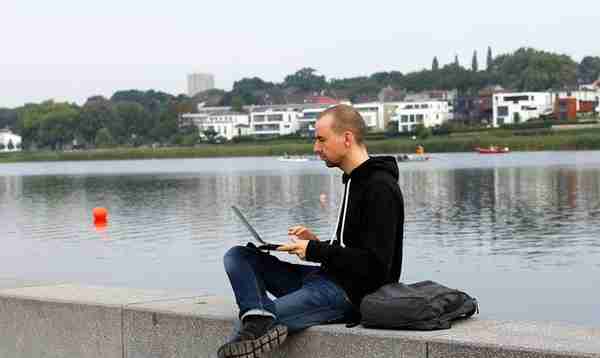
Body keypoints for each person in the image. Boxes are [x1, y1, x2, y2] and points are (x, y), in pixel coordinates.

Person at [218, 104, 404, 358]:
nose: (316, 148)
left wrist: (316, 250)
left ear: (347, 138)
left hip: (349, 294)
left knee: (245, 332)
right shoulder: (355, 179)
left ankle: (259, 320)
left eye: (321, 139)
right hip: (323, 277)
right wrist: (317, 243)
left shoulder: (379, 187)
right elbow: (354, 247)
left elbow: (376, 267)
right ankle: (260, 315)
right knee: (238, 256)